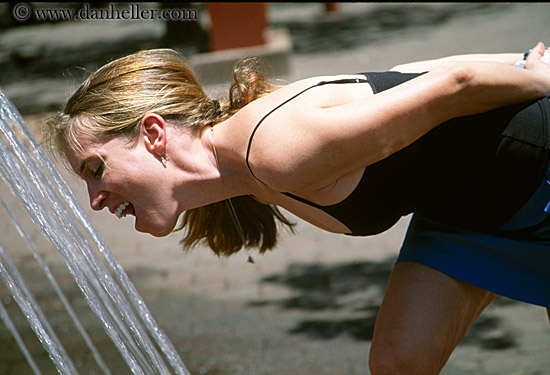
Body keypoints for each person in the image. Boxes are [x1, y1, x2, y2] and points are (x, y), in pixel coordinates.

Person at [45, 42, 550, 374]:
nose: (95, 200)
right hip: (462, 210)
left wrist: (536, 75)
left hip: (535, 170)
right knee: (400, 362)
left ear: (153, 134)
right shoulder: (245, 172)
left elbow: (456, 82)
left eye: (95, 169)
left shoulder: (273, 151)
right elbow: (402, 76)